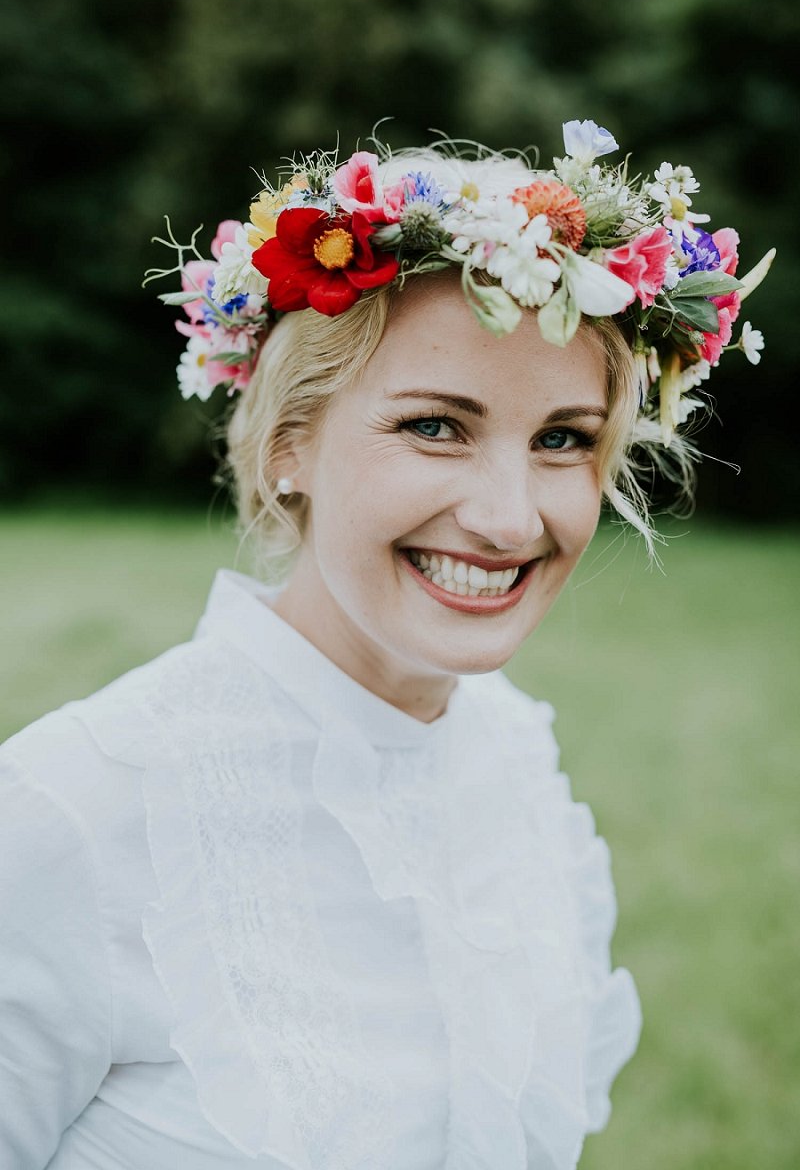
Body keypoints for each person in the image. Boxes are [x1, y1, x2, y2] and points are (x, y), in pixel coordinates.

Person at [0, 120, 772, 1169]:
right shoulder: (67, 818)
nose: (508, 520)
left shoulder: (519, 773)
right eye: (434, 426)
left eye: (561, 440)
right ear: (288, 449)